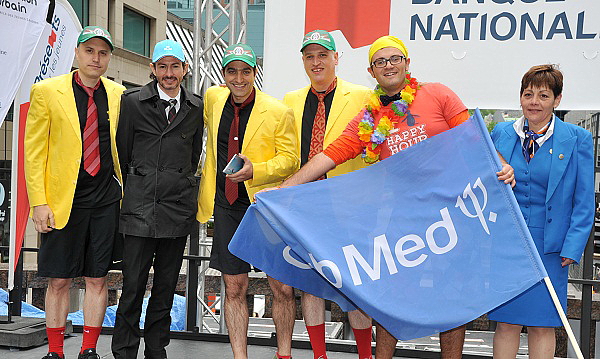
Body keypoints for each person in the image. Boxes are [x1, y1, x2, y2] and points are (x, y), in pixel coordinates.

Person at [263, 35, 515, 359]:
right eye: (380, 62)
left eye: (395, 58)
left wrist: (502, 165)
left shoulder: (437, 93)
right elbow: (330, 155)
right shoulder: (368, 117)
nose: (388, 66)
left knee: (452, 301)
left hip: (451, 215)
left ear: (407, 64)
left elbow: (473, 137)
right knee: (391, 299)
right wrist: (285, 189)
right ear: (372, 71)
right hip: (403, 222)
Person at [24, 26, 124, 359]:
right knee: (58, 281)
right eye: (90, 51)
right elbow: (33, 151)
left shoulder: (119, 94)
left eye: (103, 52)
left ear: (109, 57)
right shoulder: (47, 91)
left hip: (106, 201)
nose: (96, 58)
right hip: (61, 203)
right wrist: (39, 202)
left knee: (98, 279)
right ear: (77, 53)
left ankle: (89, 350)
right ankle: (55, 352)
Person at [197, 43, 299, 359]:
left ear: (255, 73)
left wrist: (258, 170)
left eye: (245, 71)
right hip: (226, 207)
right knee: (234, 288)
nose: (238, 79)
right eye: (232, 71)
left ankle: (284, 354)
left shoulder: (279, 111)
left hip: (265, 206)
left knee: (282, 289)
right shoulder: (213, 100)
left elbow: (292, 160)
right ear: (223, 74)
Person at [489, 64, 594, 359]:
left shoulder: (577, 139)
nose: (534, 102)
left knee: (542, 326)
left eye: (544, 95)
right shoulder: (501, 133)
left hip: (551, 249)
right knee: (506, 324)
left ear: (557, 100)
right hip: (508, 246)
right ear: (520, 97)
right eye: (528, 94)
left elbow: (584, 202)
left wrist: (572, 247)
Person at [282, 29, 374, 359]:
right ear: (303, 61)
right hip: (306, 205)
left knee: (355, 284)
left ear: (337, 58)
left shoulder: (365, 95)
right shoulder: (291, 100)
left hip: (351, 205)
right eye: (310, 56)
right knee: (310, 284)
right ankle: (319, 355)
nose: (316, 62)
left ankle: (366, 354)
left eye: (323, 55)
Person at [111, 39, 203, 359]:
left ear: (185, 70)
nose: (169, 73)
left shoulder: (196, 107)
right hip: (139, 209)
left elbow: (193, 157)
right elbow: (123, 153)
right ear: (152, 70)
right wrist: (141, 184)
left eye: (175, 66)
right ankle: (124, 351)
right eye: (162, 66)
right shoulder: (133, 102)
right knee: (133, 287)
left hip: (176, 211)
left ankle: (156, 349)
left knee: (165, 288)